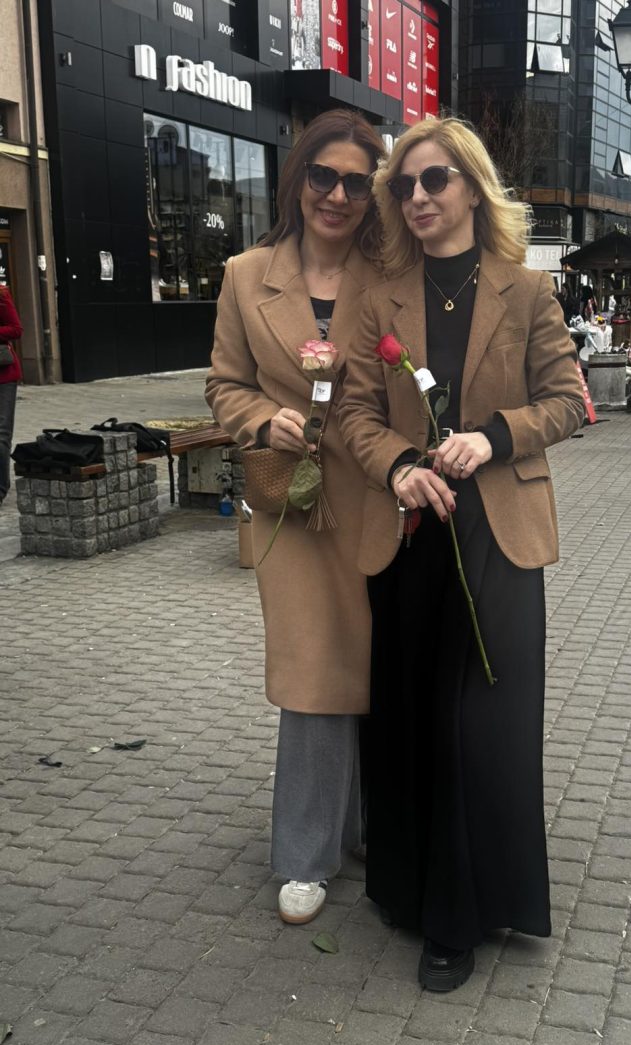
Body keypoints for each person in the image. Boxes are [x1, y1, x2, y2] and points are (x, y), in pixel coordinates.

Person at [339, 117, 584, 992]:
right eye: (403, 185)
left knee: (481, 724)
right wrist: (399, 466)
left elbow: (568, 399)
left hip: (499, 536)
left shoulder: (527, 289)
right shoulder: (380, 297)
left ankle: (469, 912)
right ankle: (412, 891)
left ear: (473, 188)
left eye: (434, 179)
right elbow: (354, 413)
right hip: (411, 531)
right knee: (409, 714)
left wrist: (494, 436)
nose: (417, 197)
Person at [205, 109, 385, 925]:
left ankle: (368, 824)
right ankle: (306, 853)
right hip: (295, 505)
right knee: (315, 670)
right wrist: (258, 420)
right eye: (323, 176)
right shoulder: (247, 276)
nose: (337, 195)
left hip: (378, 497)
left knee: (376, 663)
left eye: (357, 182)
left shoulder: (392, 275)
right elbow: (224, 382)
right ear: (298, 179)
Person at [0, 283, 23, 508]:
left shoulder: (1, 294)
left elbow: (16, 329)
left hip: (3, 376)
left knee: (1, 433)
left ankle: (0, 488)